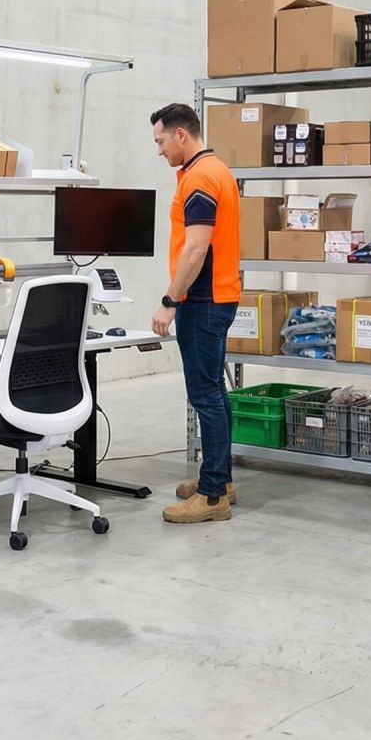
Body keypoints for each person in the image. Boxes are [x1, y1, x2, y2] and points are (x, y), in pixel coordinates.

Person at [148, 103, 242, 524]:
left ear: (181, 135)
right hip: (217, 296)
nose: (160, 150)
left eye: (161, 141)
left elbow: (196, 249)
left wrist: (170, 301)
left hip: (202, 301)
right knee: (214, 391)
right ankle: (220, 479)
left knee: (205, 395)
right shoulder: (216, 170)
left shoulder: (200, 177)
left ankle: (212, 495)